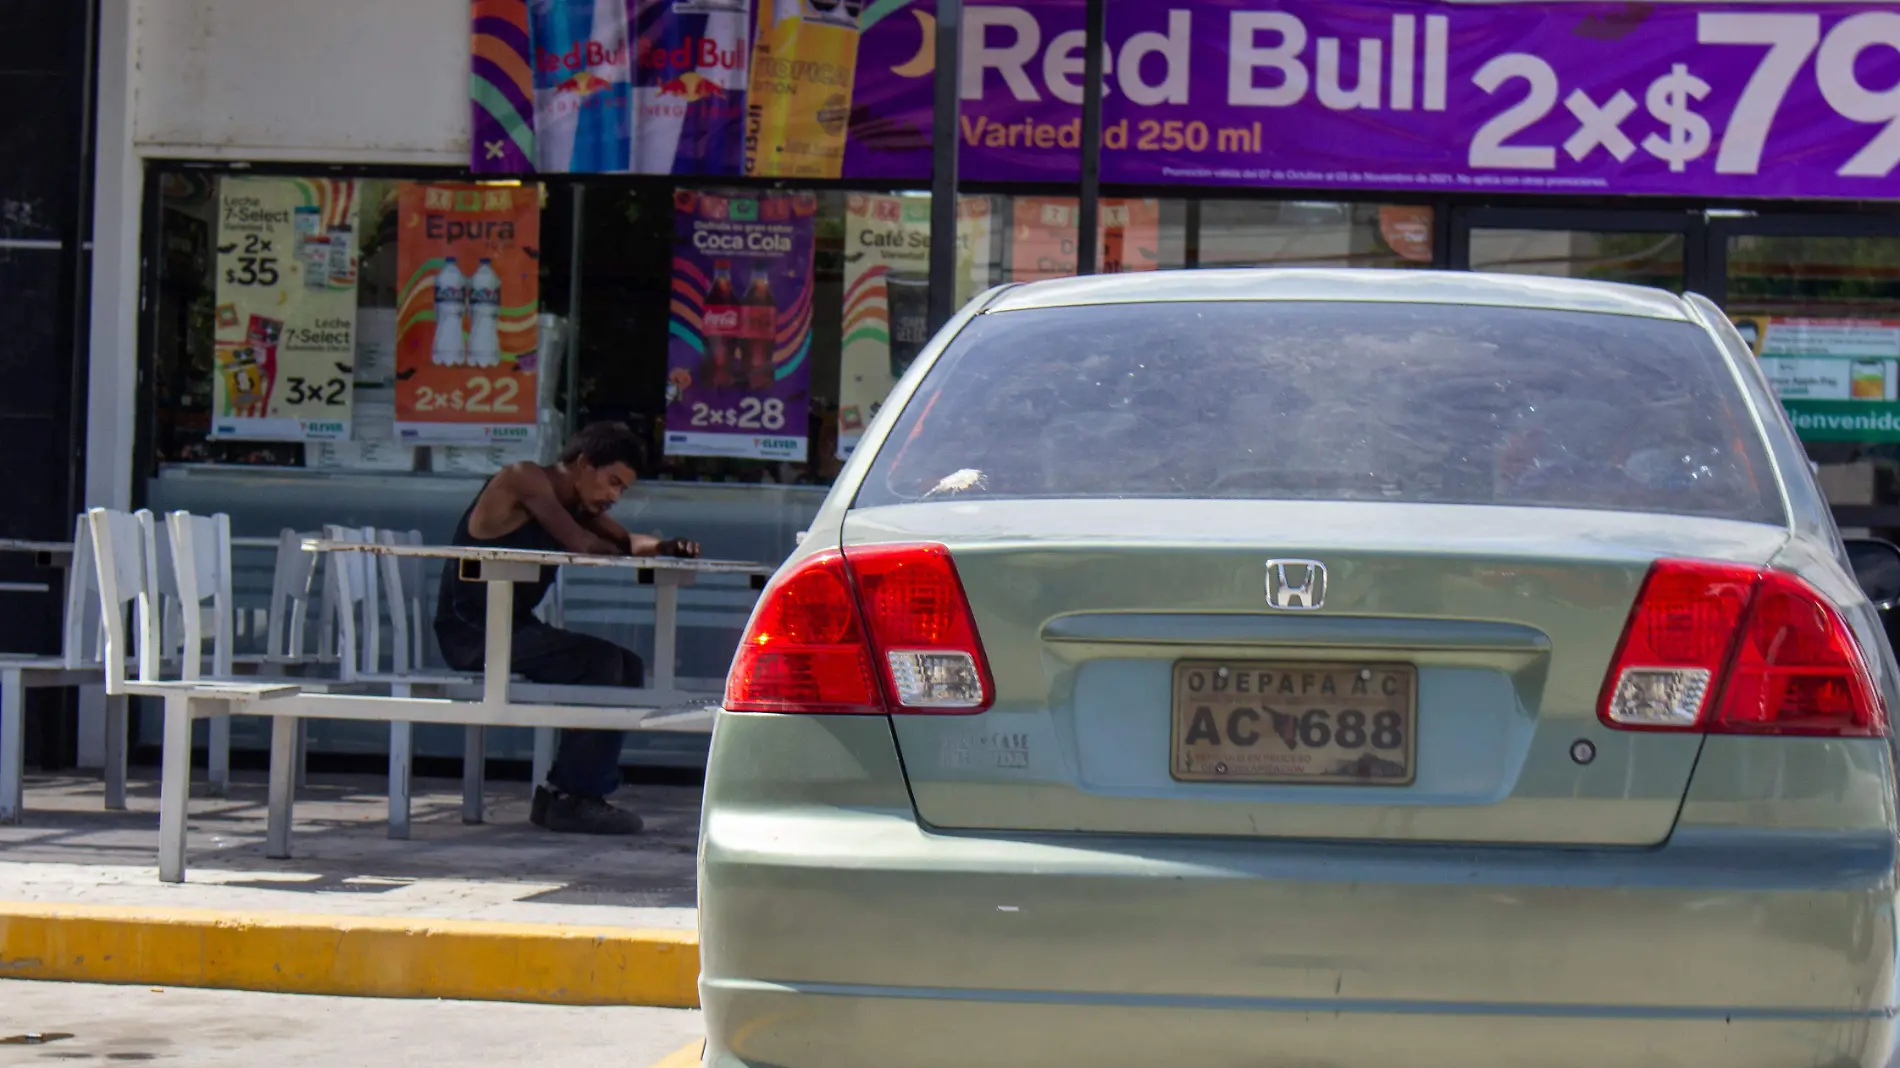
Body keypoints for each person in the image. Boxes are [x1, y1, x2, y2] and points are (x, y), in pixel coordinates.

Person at [434, 422, 700, 836]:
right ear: (582, 464)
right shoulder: (524, 479)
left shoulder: (578, 505)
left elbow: (628, 542)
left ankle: (571, 793)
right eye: (611, 482)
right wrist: (612, 543)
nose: (613, 496)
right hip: (473, 634)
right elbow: (582, 543)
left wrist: (670, 547)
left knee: (626, 665)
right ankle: (572, 798)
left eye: (622, 490)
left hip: (514, 630)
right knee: (603, 664)